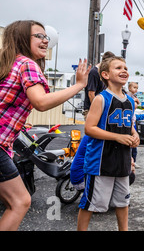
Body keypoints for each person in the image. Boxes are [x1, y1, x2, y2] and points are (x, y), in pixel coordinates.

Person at [0, 20, 90, 231]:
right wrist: (78, 85)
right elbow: (40, 102)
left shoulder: (9, 63)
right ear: (22, 38)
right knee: (20, 201)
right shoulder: (27, 64)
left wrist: (18, 123)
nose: (45, 40)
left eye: (46, 37)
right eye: (38, 36)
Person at [77, 56, 139, 231]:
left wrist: (134, 134)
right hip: (100, 162)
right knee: (91, 203)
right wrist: (117, 137)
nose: (124, 70)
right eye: (118, 67)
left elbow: (129, 124)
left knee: (123, 201)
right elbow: (89, 128)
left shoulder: (129, 101)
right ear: (105, 74)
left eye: (125, 67)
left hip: (123, 160)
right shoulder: (100, 98)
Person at [83, 51, 115, 119]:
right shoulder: (94, 72)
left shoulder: (104, 73)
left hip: (102, 109)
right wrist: (97, 109)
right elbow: (91, 93)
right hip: (92, 109)